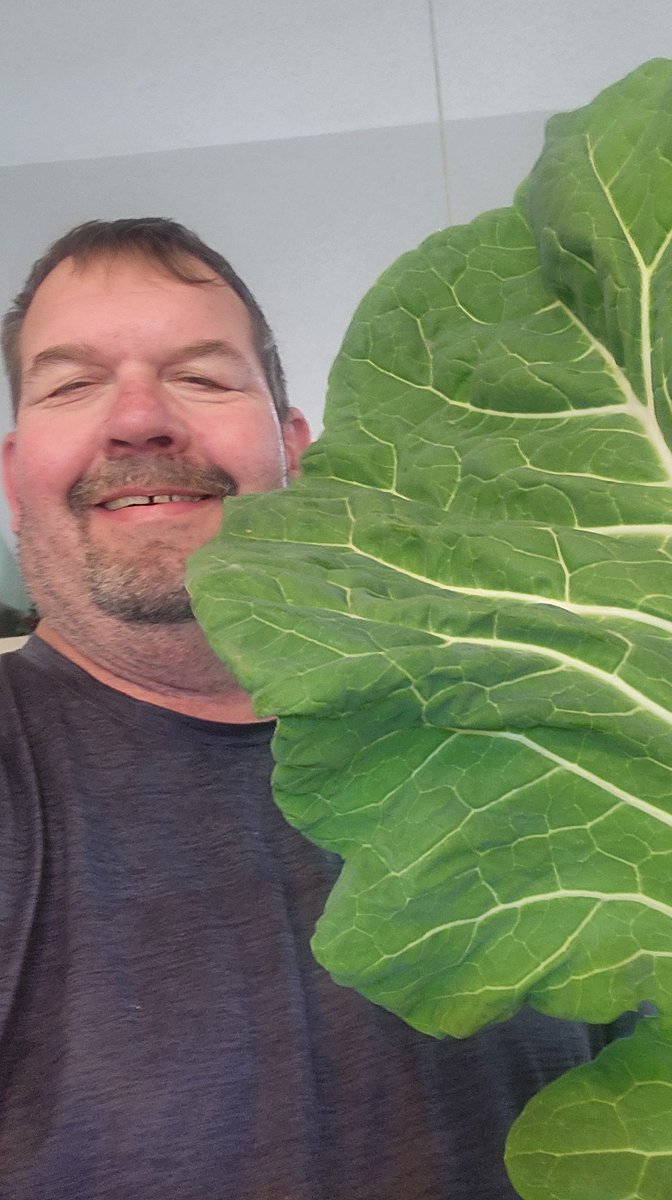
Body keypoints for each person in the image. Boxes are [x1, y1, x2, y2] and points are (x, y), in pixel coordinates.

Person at [0, 219, 600, 1200]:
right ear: (14, 472)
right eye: (73, 383)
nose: (139, 419)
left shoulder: (515, 735)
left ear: (291, 447)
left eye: (202, 375)